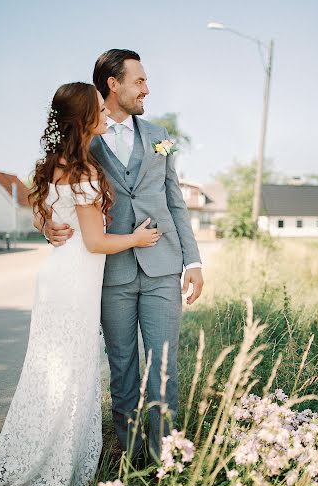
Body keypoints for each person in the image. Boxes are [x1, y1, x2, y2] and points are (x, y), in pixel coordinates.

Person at [0, 82, 160, 486]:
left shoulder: (56, 162)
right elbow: (95, 242)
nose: (107, 109)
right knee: (70, 369)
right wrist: (136, 239)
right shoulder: (84, 171)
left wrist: (47, 227)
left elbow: (46, 215)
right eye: (99, 106)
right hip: (75, 276)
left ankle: (39, 452)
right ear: (85, 119)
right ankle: (57, 462)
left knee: (49, 367)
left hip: (57, 274)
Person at [44, 50, 204, 462]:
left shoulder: (159, 135)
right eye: (139, 81)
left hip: (162, 266)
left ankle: (165, 454)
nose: (146, 89)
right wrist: (45, 226)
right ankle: (129, 454)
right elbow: (50, 189)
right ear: (112, 84)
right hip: (109, 269)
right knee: (123, 368)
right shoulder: (86, 135)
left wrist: (194, 261)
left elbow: (175, 200)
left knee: (165, 367)